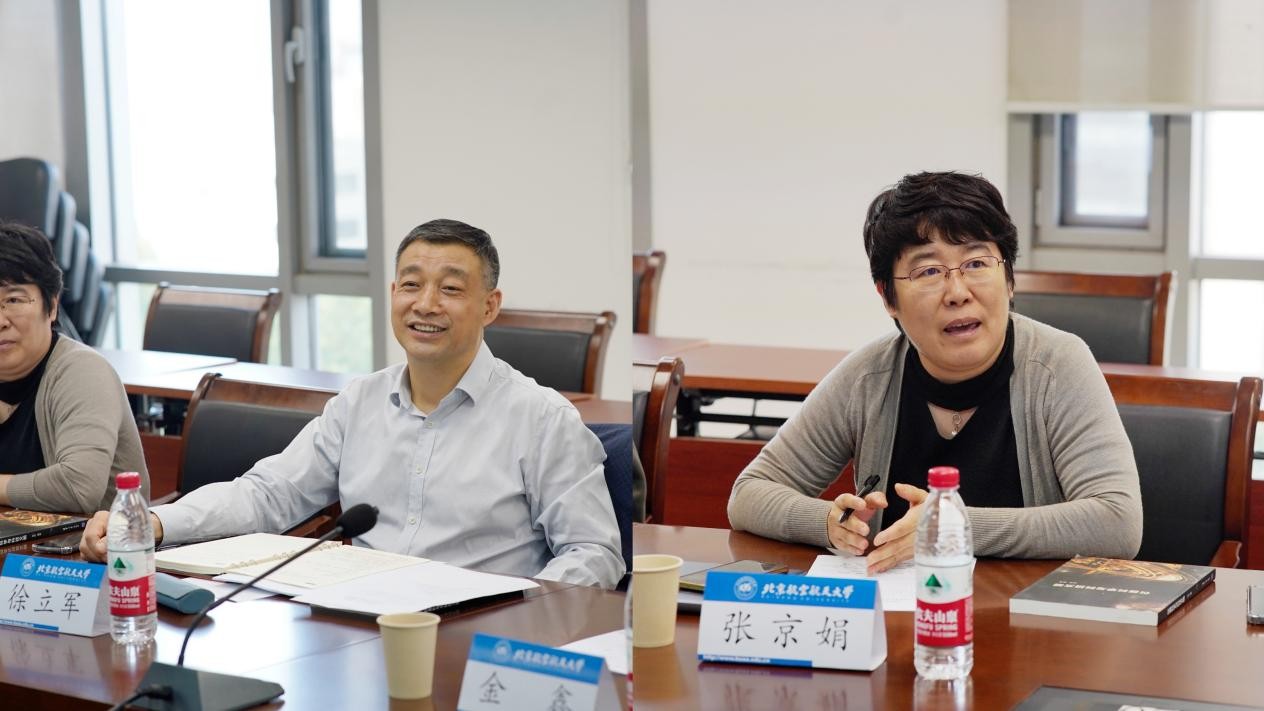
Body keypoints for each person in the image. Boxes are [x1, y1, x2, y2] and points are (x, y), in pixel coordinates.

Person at [82, 219, 625, 588]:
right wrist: (153, 523)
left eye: (451, 289)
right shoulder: (359, 403)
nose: (425, 304)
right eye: (411, 285)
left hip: (477, 635)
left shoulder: (541, 419)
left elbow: (594, 553)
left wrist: (520, 610)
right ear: (392, 294)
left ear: (489, 306)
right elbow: (270, 494)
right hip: (358, 623)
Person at [727, 172, 1142, 572]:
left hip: (1024, 612)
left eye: (977, 263)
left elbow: (1117, 522)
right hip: (904, 612)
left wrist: (953, 528)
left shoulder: (1057, 365)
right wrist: (829, 523)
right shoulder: (869, 377)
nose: (958, 293)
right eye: (928, 272)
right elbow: (749, 494)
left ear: (1009, 279)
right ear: (888, 298)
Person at [0, 221, 150, 513]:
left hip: (92, 540)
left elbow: (77, 487)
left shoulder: (82, 371)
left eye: (14, 300)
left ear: (52, 306)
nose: (2, 321)